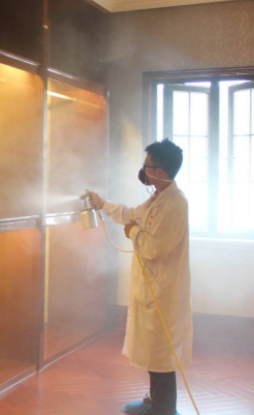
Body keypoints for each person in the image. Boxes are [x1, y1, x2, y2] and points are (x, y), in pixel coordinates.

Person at [88, 139, 192, 415]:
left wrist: (133, 232)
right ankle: (156, 403)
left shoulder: (175, 204)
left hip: (163, 292)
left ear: (160, 171)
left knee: (161, 354)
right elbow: (130, 214)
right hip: (152, 290)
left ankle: (164, 410)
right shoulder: (158, 198)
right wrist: (101, 204)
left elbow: (156, 248)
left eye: (147, 165)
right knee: (154, 352)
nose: (143, 170)